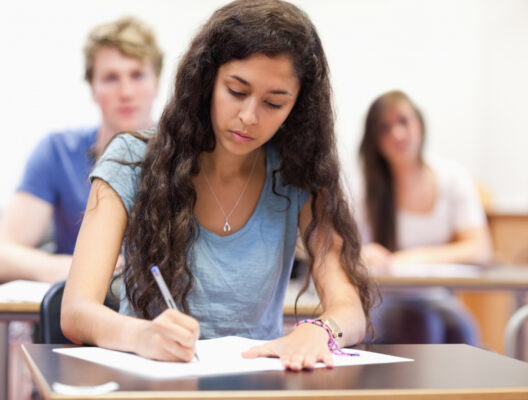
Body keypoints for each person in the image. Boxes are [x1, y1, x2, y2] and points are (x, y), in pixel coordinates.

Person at [61, 0, 373, 371]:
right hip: (152, 384)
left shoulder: (298, 173)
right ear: (206, 79)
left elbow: (350, 308)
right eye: (237, 91)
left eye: (274, 103)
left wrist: (322, 330)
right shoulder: (132, 158)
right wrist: (141, 336)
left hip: (257, 386)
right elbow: (76, 312)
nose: (248, 117)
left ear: (297, 108)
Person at [0, 16, 163, 284]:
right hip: (76, 315)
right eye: (111, 78)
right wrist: (86, 268)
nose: (126, 92)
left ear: (156, 83)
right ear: (92, 88)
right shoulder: (58, 153)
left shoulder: (184, 153)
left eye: (137, 75)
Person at [356, 90, 493, 344]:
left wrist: (410, 258)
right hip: (384, 299)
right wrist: (364, 253)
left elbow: (480, 249)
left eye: (403, 122)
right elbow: (348, 253)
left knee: (463, 332)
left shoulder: (452, 177)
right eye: (385, 128)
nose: (397, 134)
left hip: (437, 296)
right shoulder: (363, 188)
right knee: (420, 325)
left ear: (419, 124)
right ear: (374, 139)